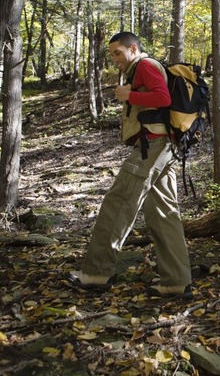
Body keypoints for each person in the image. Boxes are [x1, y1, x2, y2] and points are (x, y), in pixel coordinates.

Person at [68, 32, 193, 298]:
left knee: (119, 202)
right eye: (112, 54)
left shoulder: (145, 65)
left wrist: (129, 95)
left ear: (133, 48)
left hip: (153, 145)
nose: (114, 59)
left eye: (117, 53)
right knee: (164, 214)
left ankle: (96, 273)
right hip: (163, 146)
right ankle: (176, 281)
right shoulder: (143, 67)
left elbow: (162, 98)